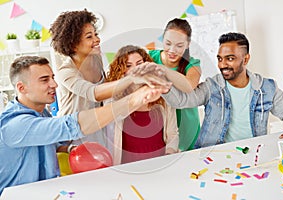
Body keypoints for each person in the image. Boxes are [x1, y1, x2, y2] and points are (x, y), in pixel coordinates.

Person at [0, 56, 169, 195]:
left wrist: (70, 149)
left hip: (45, 192)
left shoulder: (40, 113)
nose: (54, 84)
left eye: (52, 78)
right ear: (21, 88)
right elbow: (73, 124)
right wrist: (133, 99)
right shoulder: (14, 125)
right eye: (45, 80)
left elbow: (52, 141)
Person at [161, 32, 283, 152]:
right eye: (220, 59)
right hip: (213, 155)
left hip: (252, 153)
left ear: (245, 59)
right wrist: (160, 82)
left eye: (230, 58)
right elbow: (181, 101)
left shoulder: (267, 88)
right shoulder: (212, 86)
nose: (222, 64)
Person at [49, 9, 166, 149]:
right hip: (75, 134)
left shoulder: (96, 57)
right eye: (89, 37)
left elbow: (108, 88)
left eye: (95, 34)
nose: (97, 40)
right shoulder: (66, 71)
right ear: (73, 43)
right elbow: (95, 93)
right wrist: (131, 78)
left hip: (98, 128)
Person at [106, 45, 179, 165]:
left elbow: (172, 134)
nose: (136, 69)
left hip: (159, 163)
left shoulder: (162, 96)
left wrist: (169, 155)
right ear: (121, 70)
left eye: (139, 63)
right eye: (128, 66)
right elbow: (113, 115)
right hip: (127, 165)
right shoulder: (114, 98)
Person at [149, 18, 202, 151]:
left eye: (179, 46)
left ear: (188, 44)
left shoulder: (193, 65)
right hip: (160, 123)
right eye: (168, 43)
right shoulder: (150, 57)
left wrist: (163, 69)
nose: (172, 50)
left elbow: (189, 86)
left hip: (187, 124)